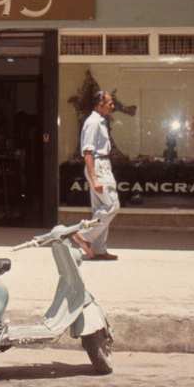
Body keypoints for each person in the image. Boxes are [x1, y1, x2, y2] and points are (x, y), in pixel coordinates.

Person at [76, 90, 123, 262]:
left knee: (100, 210)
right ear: (99, 104)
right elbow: (87, 151)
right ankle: (83, 236)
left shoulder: (100, 121)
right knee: (112, 205)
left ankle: (98, 250)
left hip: (102, 164)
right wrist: (94, 177)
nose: (112, 105)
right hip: (98, 166)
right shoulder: (93, 122)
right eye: (109, 102)